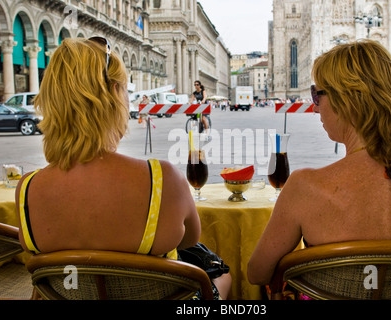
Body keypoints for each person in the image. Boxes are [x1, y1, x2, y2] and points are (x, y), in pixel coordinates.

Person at [16, 37, 231, 299]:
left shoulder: (27, 189)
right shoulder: (161, 179)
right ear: (115, 93)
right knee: (221, 273)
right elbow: (189, 239)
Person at [248, 39, 391, 287]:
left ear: (347, 100)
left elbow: (257, 274)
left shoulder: (304, 187)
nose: (315, 108)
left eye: (317, 95)